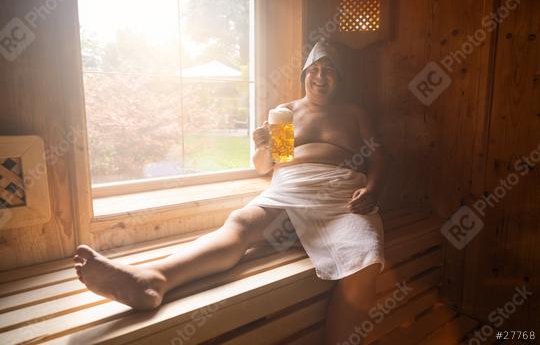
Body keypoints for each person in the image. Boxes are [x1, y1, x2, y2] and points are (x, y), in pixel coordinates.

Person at [73, 40, 386, 344]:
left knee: (366, 258)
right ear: (304, 73)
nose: (320, 77)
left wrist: (371, 190)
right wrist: (263, 145)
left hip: (340, 196)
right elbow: (265, 167)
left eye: (329, 70)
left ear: (339, 77)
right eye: (313, 69)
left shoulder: (354, 113)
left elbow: (377, 157)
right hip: (291, 189)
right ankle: (152, 279)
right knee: (241, 223)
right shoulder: (285, 113)